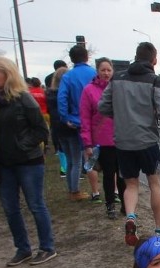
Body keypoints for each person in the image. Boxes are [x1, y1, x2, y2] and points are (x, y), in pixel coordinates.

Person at [0, 56, 56, 267]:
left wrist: (22, 145)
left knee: (36, 205)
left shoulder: (23, 98)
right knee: (10, 208)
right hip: (2, 163)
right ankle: (22, 249)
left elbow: (41, 130)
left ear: (8, 73)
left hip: (29, 161)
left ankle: (47, 247)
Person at [99, 41, 160, 246]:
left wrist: (120, 117)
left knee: (130, 184)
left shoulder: (118, 78)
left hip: (123, 141)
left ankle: (131, 217)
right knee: (154, 183)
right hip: (147, 139)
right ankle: (159, 229)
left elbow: (102, 106)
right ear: (154, 60)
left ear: (135, 56)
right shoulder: (154, 81)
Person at [80, 57, 124, 219]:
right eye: (103, 70)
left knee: (123, 174)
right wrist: (87, 143)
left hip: (121, 137)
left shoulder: (119, 88)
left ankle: (126, 206)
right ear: (97, 71)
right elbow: (85, 118)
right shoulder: (89, 90)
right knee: (108, 173)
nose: (106, 73)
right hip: (103, 140)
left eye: (109, 70)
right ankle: (110, 205)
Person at [57, 44, 96, 201]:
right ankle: (77, 191)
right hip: (92, 122)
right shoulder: (94, 74)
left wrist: (65, 118)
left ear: (72, 59)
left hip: (74, 121)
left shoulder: (68, 76)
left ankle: (73, 190)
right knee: (83, 158)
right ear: (87, 57)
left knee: (72, 158)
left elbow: (62, 99)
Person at [45, 66, 68, 177]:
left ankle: (63, 167)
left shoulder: (50, 93)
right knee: (73, 149)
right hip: (66, 122)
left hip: (55, 122)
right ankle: (70, 168)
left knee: (61, 145)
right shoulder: (65, 93)